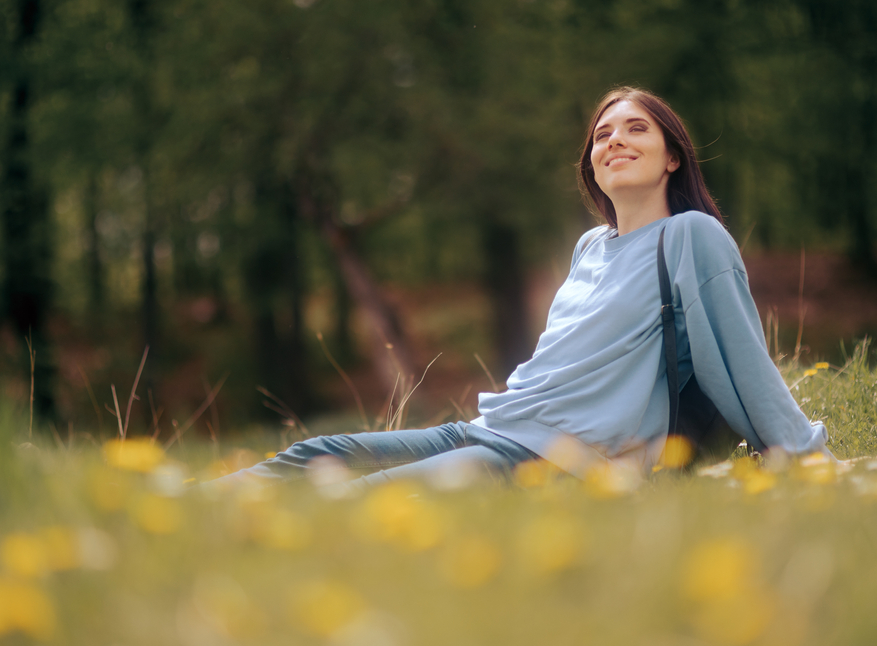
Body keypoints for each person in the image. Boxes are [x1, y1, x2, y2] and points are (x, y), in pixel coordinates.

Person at [210, 86, 831, 492]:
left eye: (636, 129)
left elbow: (742, 360)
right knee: (318, 452)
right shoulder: (591, 246)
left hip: (555, 459)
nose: (614, 140)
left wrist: (803, 455)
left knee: (359, 498)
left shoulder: (692, 237)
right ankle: (164, 508)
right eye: (602, 134)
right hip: (491, 427)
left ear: (673, 157)